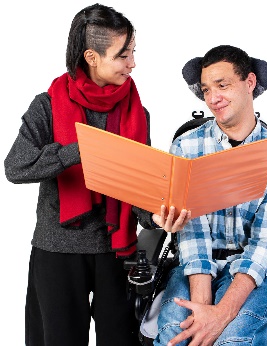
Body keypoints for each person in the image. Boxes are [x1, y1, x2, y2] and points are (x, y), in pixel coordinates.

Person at [4, 4, 189, 346]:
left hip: (118, 252)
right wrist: (82, 149)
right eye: (123, 55)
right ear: (92, 56)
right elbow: (16, 166)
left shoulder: (138, 112)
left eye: (133, 53)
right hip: (56, 250)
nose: (132, 63)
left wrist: (157, 216)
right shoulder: (47, 105)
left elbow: (139, 189)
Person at [153, 45, 267, 346]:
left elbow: (264, 244)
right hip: (193, 266)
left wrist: (221, 316)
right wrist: (204, 307)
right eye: (206, 89)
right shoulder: (186, 148)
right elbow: (193, 233)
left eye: (223, 85)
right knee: (175, 337)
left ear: (249, 82)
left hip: (252, 270)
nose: (212, 98)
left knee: (232, 339)